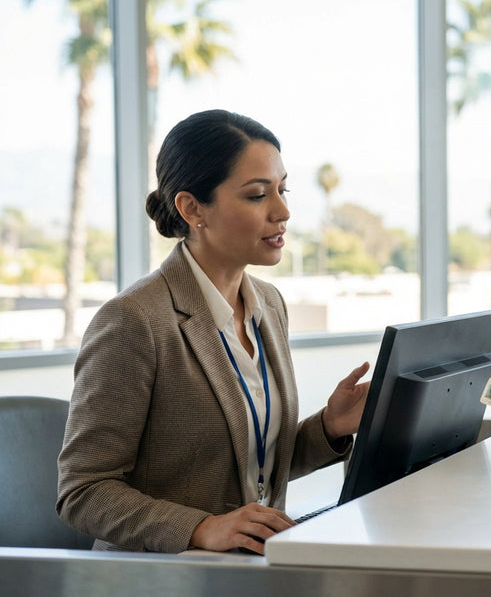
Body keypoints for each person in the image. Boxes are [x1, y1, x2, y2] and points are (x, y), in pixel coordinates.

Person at [57, 110, 371, 555]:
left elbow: (249, 466)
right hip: (160, 580)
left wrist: (329, 427)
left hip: (252, 570)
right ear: (191, 208)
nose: (282, 211)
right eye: (258, 195)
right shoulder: (134, 321)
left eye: (282, 190)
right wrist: (202, 528)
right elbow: (83, 491)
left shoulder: (270, 306)